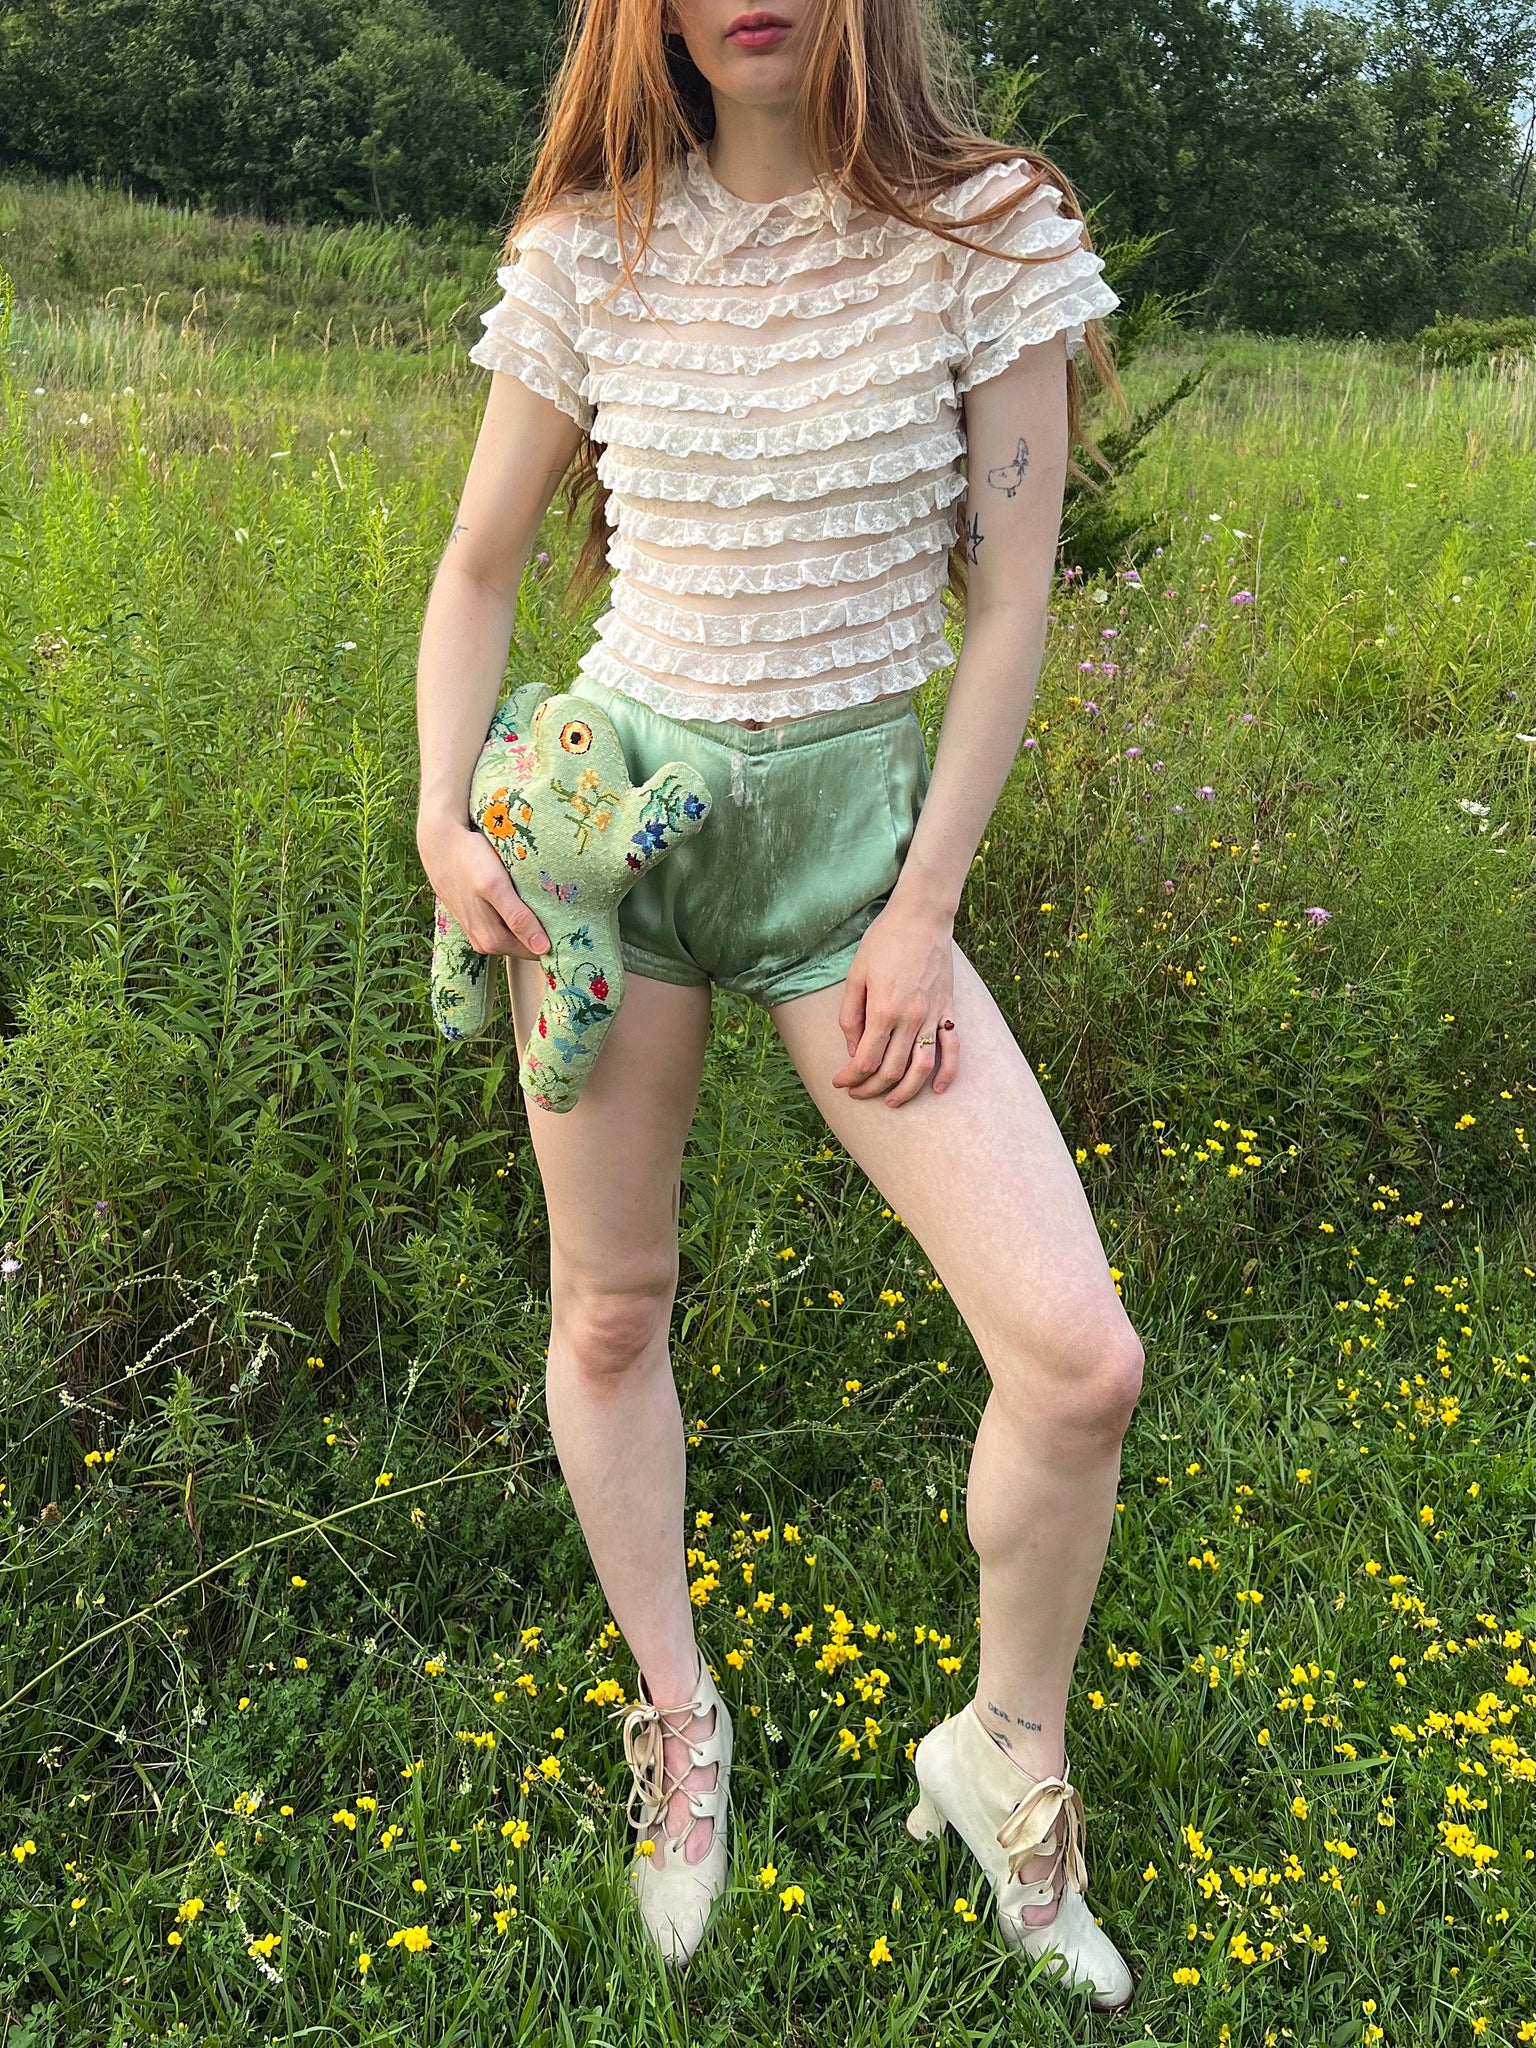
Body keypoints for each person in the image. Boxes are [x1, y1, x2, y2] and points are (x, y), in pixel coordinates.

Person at [414, 0, 1143, 2012]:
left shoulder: (982, 234)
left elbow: (1008, 602)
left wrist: (925, 908)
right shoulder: (594, 245)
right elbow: (480, 566)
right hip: (615, 834)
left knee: (1077, 1361)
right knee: (611, 1305)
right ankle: (681, 1716)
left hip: (851, 866)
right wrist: (439, 816)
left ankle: (1009, 1751)